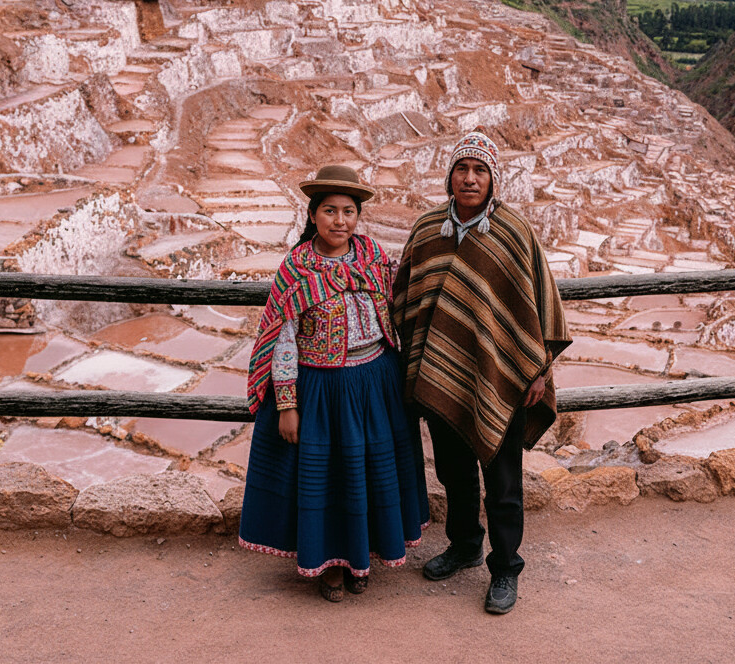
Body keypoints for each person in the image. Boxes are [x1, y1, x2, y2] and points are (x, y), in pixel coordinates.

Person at [392, 131, 569, 615]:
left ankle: (506, 567)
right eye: (462, 169)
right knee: (453, 472)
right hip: (439, 375)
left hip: (501, 379)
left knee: (503, 481)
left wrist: (538, 370)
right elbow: (405, 298)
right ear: (448, 176)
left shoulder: (514, 233)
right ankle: (466, 544)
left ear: (494, 179)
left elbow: (541, 306)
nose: (470, 178)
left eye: (480, 170)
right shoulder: (428, 230)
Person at [239, 164, 429, 602]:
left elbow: (402, 303)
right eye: (329, 211)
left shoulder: (374, 258)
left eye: (348, 211)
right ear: (312, 215)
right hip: (322, 390)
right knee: (330, 478)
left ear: (358, 216)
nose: (339, 221)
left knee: (368, 474)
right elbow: (282, 338)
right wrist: (287, 404)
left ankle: (364, 556)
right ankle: (331, 567)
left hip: (375, 383)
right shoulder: (297, 268)